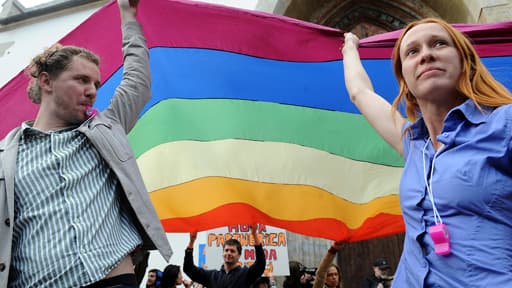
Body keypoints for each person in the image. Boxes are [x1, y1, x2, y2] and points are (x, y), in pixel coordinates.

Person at [0, 0, 173, 287]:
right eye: (81, 80)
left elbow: (137, 82)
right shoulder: (7, 156)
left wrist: (128, 18)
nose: (92, 91)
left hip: (113, 279)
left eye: (96, 84)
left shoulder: (106, 129)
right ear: (46, 81)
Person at [342, 17, 512, 287]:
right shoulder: (413, 145)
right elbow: (359, 92)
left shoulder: (504, 124)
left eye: (439, 44)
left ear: (464, 61)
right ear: (404, 80)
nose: (426, 55)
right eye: (412, 51)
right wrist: (349, 46)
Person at [184, 224, 265, 288]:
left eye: (232, 251)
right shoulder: (212, 276)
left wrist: (254, 234)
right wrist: (191, 241)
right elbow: (188, 269)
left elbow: (260, 264)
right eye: (226, 250)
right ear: (223, 253)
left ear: (239, 255)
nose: (228, 253)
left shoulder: (245, 274)